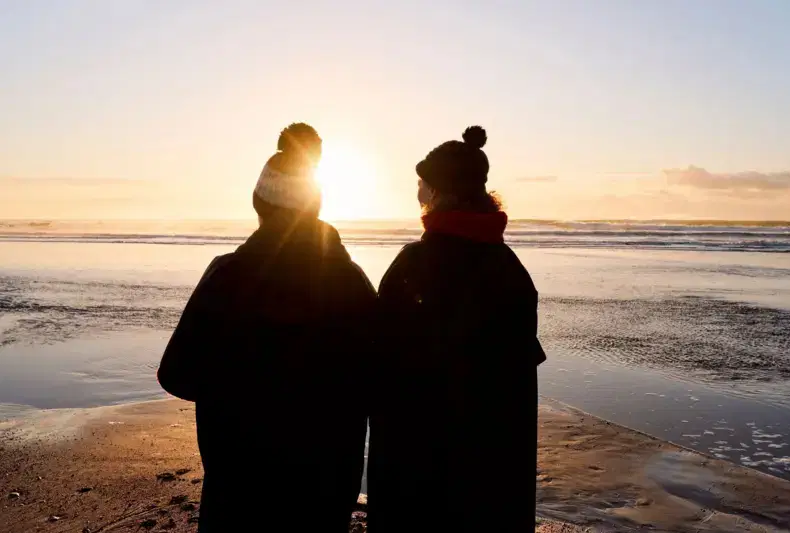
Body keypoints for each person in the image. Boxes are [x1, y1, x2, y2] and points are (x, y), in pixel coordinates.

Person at [158, 123, 376, 533]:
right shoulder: (351, 281)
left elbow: (176, 374)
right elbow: (379, 382)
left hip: (239, 488)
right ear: (315, 207)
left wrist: (237, 388)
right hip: (324, 489)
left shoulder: (226, 277)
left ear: (259, 204)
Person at [368, 126, 546, 533]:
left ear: (437, 193)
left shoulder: (416, 264)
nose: (417, 194)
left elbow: (382, 359)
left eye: (421, 185)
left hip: (421, 467)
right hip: (494, 468)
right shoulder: (510, 269)